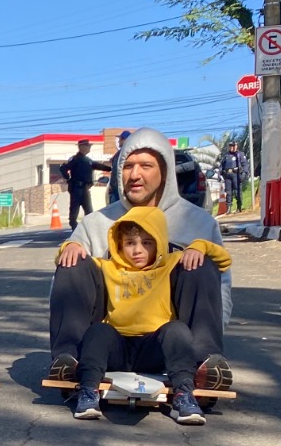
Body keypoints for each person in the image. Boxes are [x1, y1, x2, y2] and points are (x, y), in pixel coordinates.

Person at [49, 128, 233, 391]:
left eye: (146, 166)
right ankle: (71, 361)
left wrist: (215, 336)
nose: (135, 175)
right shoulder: (95, 224)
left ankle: (204, 365)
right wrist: (71, 248)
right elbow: (62, 289)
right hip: (106, 345)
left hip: (171, 345)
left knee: (200, 259)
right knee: (73, 258)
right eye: (128, 166)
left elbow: (221, 287)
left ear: (165, 171)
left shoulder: (197, 223)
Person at [71, 206, 233, 426]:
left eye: (147, 243)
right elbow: (80, 260)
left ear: (159, 243)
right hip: (118, 348)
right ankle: (88, 392)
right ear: (119, 244)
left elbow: (223, 260)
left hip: (156, 348)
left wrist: (199, 246)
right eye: (130, 243)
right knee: (99, 330)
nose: (138, 250)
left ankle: (184, 395)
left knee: (176, 329)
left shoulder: (171, 263)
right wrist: (69, 245)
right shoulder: (108, 267)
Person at [57, 140, 111, 230]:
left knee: (89, 212)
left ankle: (88, 230)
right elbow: (63, 168)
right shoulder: (75, 159)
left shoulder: (88, 160)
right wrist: (67, 177)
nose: (89, 148)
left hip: (85, 188)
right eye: (87, 146)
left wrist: (110, 168)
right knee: (74, 212)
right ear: (81, 147)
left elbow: (98, 166)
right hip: (77, 188)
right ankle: (75, 229)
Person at [220, 141, 248, 211]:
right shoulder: (225, 155)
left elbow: (245, 165)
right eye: (230, 146)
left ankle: (239, 206)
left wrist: (244, 173)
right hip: (227, 176)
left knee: (237, 191)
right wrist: (220, 174)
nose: (232, 147)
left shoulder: (240, 154)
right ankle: (228, 207)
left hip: (236, 174)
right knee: (228, 192)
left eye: (233, 146)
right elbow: (221, 166)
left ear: (236, 146)